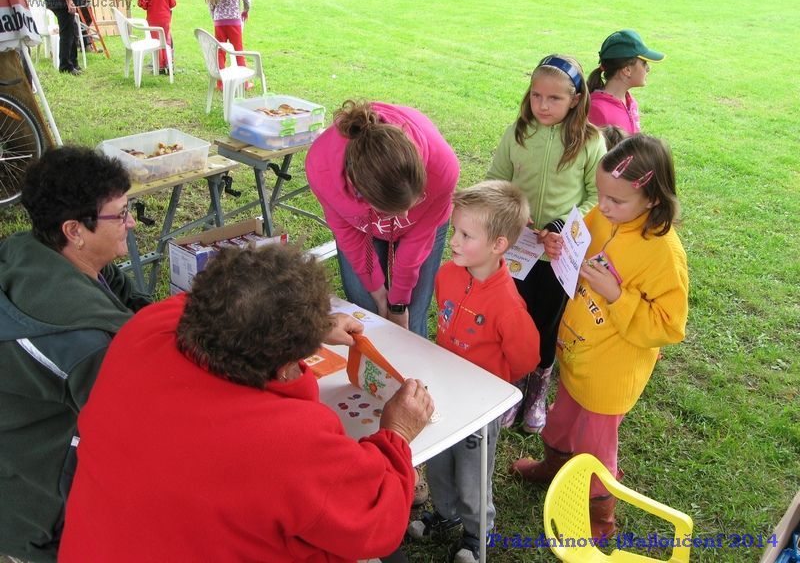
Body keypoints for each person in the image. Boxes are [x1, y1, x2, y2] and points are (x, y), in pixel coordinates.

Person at [59, 245, 435, 562]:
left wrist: (310, 326)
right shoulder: (287, 441)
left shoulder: (144, 329)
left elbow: (225, 308)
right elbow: (376, 522)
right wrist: (397, 433)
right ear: (285, 363)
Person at [511, 134, 689, 539]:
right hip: (578, 351)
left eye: (616, 200)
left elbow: (668, 325)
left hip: (611, 373)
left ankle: (599, 518)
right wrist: (558, 243)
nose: (604, 207)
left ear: (654, 199)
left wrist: (617, 296)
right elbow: (581, 238)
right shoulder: (606, 216)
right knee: (561, 420)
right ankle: (553, 465)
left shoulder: (664, 254)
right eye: (602, 195)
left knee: (595, 448)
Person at [0, 146, 150, 562]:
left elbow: (134, 310)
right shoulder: (86, 341)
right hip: (44, 513)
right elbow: (142, 434)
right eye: (119, 214)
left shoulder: (35, 251)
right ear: (74, 229)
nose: (131, 223)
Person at [407, 180, 540, 563]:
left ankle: (477, 534)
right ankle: (446, 514)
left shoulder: (508, 306)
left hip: (480, 406)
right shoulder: (448, 273)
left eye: (466, 235)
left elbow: (525, 360)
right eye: (454, 230)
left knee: (472, 473)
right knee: (439, 459)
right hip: (444, 388)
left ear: (498, 245)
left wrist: (492, 388)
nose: (453, 241)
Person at [488, 55, 606, 433]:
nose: (542, 105)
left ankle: (538, 388)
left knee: (546, 320)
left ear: (575, 98)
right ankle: (515, 384)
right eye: (536, 95)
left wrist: (561, 225)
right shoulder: (518, 133)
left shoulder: (590, 140)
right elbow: (497, 179)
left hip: (559, 253)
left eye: (554, 98)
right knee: (513, 314)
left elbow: (596, 196)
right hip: (518, 246)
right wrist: (510, 214)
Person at [306, 100, 460, 339]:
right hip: (360, 227)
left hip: (425, 228)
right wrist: (379, 295)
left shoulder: (443, 168)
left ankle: (411, 371)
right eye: (391, 212)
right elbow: (348, 235)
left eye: (414, 203)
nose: (406, 218)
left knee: (413, 311)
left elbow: (416, 243)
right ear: (362, 194)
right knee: (364, 310)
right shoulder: (322, 168)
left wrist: (398, 305)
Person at [587, 29, 665, 134]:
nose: (648, 69)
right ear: (627, 70)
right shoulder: (597, 110)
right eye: (644, 63)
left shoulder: (630, 102)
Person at [205, 0, 252, 90]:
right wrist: (245, 11)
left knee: (220, 51)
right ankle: (244, 83)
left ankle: (221, 83)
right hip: (234, 22)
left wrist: (215, 18)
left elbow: (211, 5)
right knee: (238, 50)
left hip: (219, 23)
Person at [40, 0, 85, 75]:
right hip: (61, 0)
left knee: (72, 29)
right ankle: (65, 66)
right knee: (67, 33)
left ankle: (73, 63)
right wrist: (69, 0)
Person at [137, 0, 176, 74]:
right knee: (166, 40)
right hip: (165, 18)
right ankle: (168, 63)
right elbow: (172, 3)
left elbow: (142, 4)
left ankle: (158, 65)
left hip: (152, 18)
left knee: (155, 41)